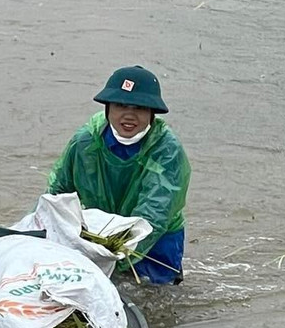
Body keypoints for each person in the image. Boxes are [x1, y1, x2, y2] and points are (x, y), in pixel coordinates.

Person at [47, 65, 190, 284]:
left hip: (156, 243)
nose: (129, 115)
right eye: (120, 105)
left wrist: (112, 257)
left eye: (140, 108)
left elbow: (154, 214)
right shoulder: (85, 142)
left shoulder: (166, 151)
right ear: (108, 108)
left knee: (154, 293)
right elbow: (57, 195)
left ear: (152, 113)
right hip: (102, 236)